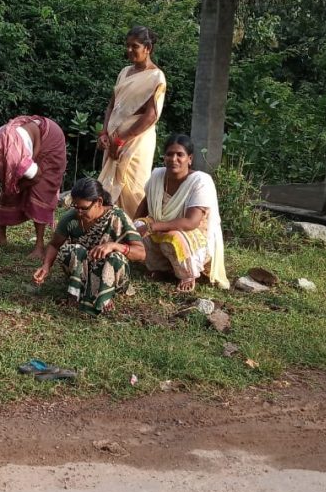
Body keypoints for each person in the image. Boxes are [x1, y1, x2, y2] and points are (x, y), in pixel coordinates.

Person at [0, 115, 67, 259]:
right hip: (26, 148)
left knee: (39, 191)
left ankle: (39, 246)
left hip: (48, 138)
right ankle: (0, 236)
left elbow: (37, 176)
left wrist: (17, 186)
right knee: (8, 186)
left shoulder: (13, 158)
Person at [132, 134, 230, 292]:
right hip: (159, 228)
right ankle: (161, 268)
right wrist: (133, 228)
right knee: (137, 226)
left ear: (189, 159)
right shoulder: (157, 175)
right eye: (169, 154)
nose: (173, 159)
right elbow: (145, 204)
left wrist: (154, 226)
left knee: (172, 237)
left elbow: (192, 222)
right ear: (164, 157)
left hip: (192, 235)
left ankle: (188, 274)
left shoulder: (200, 181)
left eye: (180, 155)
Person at [33, 178, 145, 315]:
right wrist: (46, 266)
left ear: (99, 202)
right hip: (82, 272)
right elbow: (54, 245)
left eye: (84, 208)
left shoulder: (118, 217)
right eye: (76, 207)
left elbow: (141, 253)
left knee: (115, 257)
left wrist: (114, 246)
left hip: (109, 273)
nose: (79, 212)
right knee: (71, 250)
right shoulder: (71, 218)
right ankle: (76, 293)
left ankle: (103, 298)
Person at [98, 26, 167, 214]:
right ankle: (108, 230)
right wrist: (105, 133)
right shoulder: (124, 72)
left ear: (148, 48)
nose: (129, 50)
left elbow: (151, 116)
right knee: (108, 186)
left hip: (136, 142)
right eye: (127, 46)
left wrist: (122, 140)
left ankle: (133, 235)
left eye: (134, 46)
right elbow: (112, 106)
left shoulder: (156, 76)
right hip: (113, 138)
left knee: (133, 186)